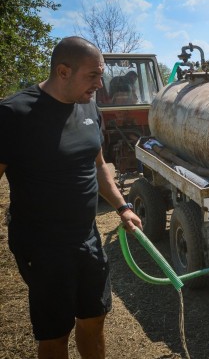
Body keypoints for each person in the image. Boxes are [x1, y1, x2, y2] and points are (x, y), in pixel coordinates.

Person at [0, 36, 142, 359]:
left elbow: (99, 163)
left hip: (86, 236)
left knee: (94, 318)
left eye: (101, 74)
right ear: (63, 71)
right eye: (92, 75)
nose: (100, 83)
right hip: (42, 246)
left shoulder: (88, 105)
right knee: (55, 333)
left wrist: (122, 206)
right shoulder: (14, 114)